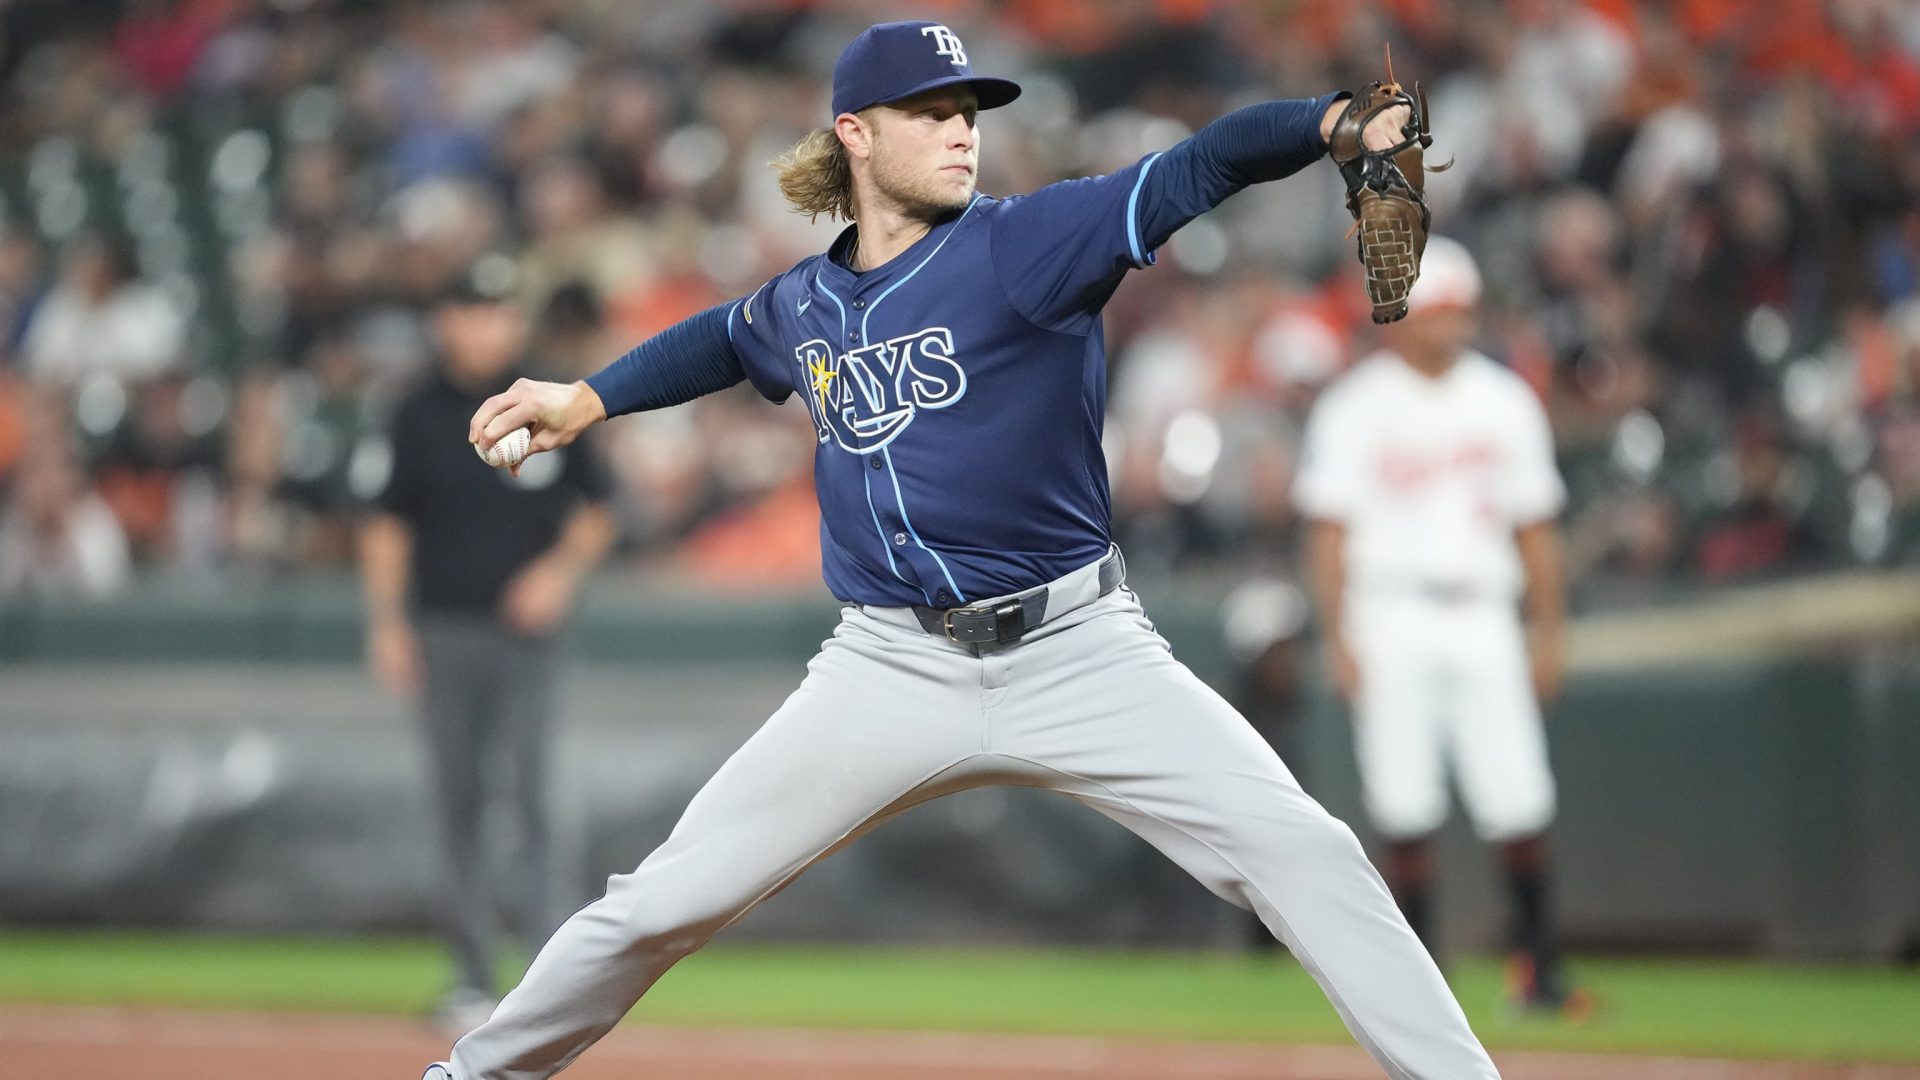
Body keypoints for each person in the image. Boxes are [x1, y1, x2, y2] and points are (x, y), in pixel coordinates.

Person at [432, 21, 1501, 1080]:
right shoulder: (805, 299)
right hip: (887, 666)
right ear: (855, 134)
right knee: (660, 902)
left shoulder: (1028, 242)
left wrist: (1327, 121)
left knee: (1306, 852)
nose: (961, 131)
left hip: (1081, 650)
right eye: (931, 112)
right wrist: (587, 397)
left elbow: (1199, 165)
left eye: (968, 113)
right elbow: (722, 337)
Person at [1295, 236, 1587, 1016]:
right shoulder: (1355, 406)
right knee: (1403, 804)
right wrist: (1339, 636)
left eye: (1459, 311)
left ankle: (1540, 973)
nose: (1449, 325)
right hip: (1390, 608)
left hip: (1484, 609)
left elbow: (1536, 527)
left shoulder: (1504, 400)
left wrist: (1549, 633)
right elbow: (1329, 533)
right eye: (1435, 311)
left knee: (1519, 797)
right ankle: (1419, 982)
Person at [360, 260, 616, 1035]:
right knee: (459, 804)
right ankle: (472, 977)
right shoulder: (415, 410)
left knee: (538, 801)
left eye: (499, 309)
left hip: (527, 637)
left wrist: (558, 574)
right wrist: (387, 622)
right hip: (443, 629)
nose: (486, 325)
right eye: (473, 310)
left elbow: (598, 508)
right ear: (446, 320)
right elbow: (386, 523)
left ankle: (550, 979)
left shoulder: (547, 398)